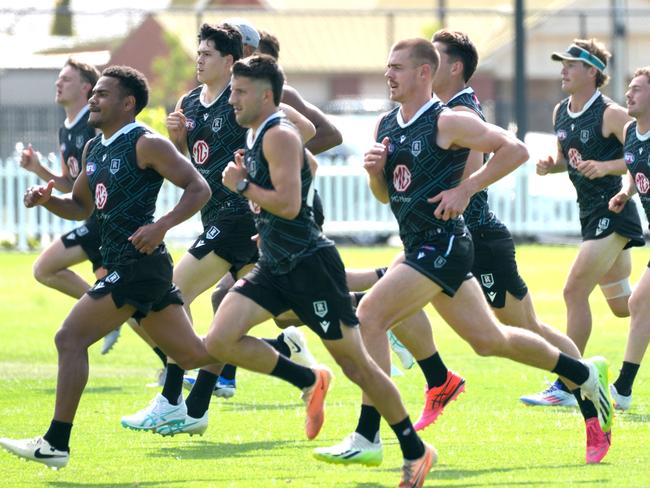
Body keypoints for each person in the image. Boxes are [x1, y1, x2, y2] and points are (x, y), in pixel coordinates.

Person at [314, 37, 614, 470]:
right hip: (421, 246)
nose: (388, 75)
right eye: (387, 67)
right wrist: (375, 174)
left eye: (398, 67)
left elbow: (516, 149)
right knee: (491, 341)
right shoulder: (386, 125)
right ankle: (583, 375)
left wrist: (466, 188)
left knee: (372, 316)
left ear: (424, 73)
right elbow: (385, 197)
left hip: (446, 244)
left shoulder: (448, 120)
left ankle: (368, 434)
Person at [206, 53, 436, 488]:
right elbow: (306, 171)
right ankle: (307, 379)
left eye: (239, 92)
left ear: (266, 94)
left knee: (361, 368)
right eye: (232, 90)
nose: (231, 99)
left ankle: (414, 449)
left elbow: (291, 203)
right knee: (220, 338)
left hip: (310, 268)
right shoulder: (258, 134)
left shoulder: (278, 135)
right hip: (275, 265)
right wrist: (268, 221)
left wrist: (240, 184)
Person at [0, 65, 218, 469]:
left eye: (101, 94)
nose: (92, 100)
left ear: (127, 102)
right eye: (93, 93)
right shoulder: (94, 148)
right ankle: (288, 364)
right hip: (133, 266)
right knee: (194, 356)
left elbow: (199, 187)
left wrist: (160, 226)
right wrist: (45, 199)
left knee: (69, 338)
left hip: (139, 265)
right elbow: (81, 206)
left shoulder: (146, 143)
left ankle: (55, 443)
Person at [120, 23, 318, 436]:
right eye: (198, 53)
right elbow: (193, 170)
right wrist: (178, 143)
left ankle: (174, 400)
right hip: (220, 220)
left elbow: (309, 131)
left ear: (229, 62)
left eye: (207, 54)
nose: (198, 60)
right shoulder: (188, 104)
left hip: (237, 218)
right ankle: (316, 354)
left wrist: (268, 168)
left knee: (165, 297)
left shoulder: (242, 100)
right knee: (290, 309)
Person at [531, 39, 644, 406]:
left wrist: (607, 168)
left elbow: (640, 154)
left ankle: (567, 384)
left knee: (573, 291)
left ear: (591, 71)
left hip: (612, 214)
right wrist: (553, 164)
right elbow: (569, 158)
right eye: (561, 63)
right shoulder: (560, 111)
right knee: (626, 306)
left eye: (570, 64)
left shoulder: (611, 114)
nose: (563, 70)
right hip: (588, 215)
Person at [17, 59, 126, 355]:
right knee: (130, 304)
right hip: (92, 221)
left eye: (65, 78)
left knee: (46, 268)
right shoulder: (66, 131)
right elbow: (69, 182)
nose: (58, 83)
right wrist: (39, 169)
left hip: (105, 222)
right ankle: (173, 363)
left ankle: (176, 363)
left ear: (85, 87)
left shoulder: (94, 125)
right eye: (58, 78)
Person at [607, 67, 650, 410]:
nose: (629, 95)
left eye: (637, 89)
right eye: (629, 88)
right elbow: (633, 172)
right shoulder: (630, 132)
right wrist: (626, 192)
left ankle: (622, 388)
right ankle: (623, 389)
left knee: (638, 304)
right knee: (639, 304)